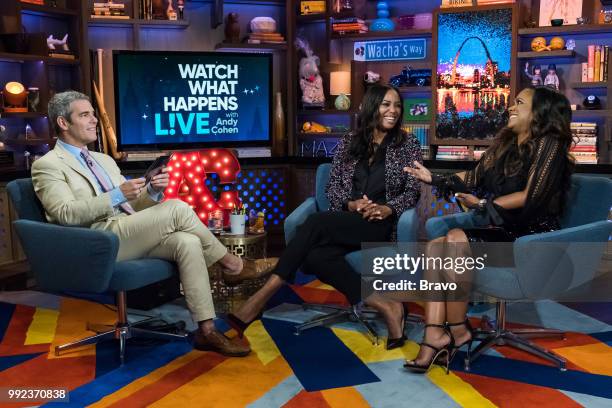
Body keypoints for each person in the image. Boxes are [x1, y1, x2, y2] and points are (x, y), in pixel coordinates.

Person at [31, 91, 278, 357]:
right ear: (63, 123)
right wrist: (116, 194)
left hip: (126, 231)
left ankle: (206, 332)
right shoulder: (48, 165)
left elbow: (129, 207)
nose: (94, 120)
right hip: (96, 241)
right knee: (177, 207)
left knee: (188, 241)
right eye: (84, 115)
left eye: (93, 113)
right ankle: (233, 265)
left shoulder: (103, 160)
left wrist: (152, 192)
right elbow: (64, 213)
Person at [226, 84, 423, 348]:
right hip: (348, 219)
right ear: (372, 106)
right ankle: (387, 306)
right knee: (315, 255)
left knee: (315, 223)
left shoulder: (407, 144)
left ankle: (260, 297)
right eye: (386, 104)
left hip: (380, 224)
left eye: (397, 105)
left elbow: (413, 191)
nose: (393, 111)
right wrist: (352, 204)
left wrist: (387, 208)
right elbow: (332, 188)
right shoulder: (349, 143)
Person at [403, 86, 574, 373]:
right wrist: (434, 178)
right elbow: (472, 176)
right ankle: (434, 334)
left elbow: (529, 197)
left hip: (533, 239)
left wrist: (483, 203)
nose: (510, 107)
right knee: (435, 247)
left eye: (519, 102)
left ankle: (458, 329)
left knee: (456, 237)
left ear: (540, 113)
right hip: (505, 231)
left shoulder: (550, 143)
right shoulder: (505, 143)